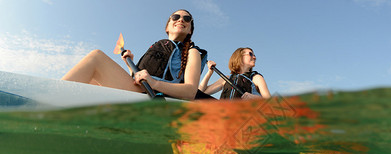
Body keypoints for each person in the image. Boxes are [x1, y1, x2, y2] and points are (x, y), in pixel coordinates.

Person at [62, 9, 207, 100]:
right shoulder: (157, 46)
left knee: (96, 58)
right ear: (167, 27)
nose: (181, 19)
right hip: (141, 89)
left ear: (190, 30)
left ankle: (45, 104)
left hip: (155, 96)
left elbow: (190, 91)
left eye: (187, 19)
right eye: (176, 16)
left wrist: (154, 83)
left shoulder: (192, 52)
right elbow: (138, 77)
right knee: (92, 82)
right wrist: (130, 64)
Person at [199, 47, 271, 99]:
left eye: (254, 55)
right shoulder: (226, 79)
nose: (254, 57)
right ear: (240, 57)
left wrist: (254, 98)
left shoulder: (256, 78)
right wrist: (209, 72)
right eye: (251, 54)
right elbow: (200, 92)